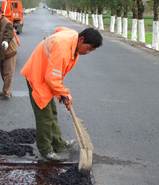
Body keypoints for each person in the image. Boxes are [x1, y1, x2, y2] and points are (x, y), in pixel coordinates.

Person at [21, 27, 103, 161]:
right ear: (81, 39)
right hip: (37, 76)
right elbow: (52, 79)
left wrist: (49, 44)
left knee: (52, 112)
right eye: (88, 48)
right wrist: (65, 95)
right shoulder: (63, 50)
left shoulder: (73, 36)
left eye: (91, 51)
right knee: (45, 116)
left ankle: (57, 142)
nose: (87, 52)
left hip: (45, 74)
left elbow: (59, 29)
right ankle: (45, 149)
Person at [0, 5, 17, 100]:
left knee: (8, 73)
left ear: (1, 13)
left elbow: (9, 33)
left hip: (9, 51)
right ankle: (7, 90)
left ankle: (6, 93)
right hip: (2, 52)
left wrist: (6, 41)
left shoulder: (7, 23)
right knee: (3, 72)